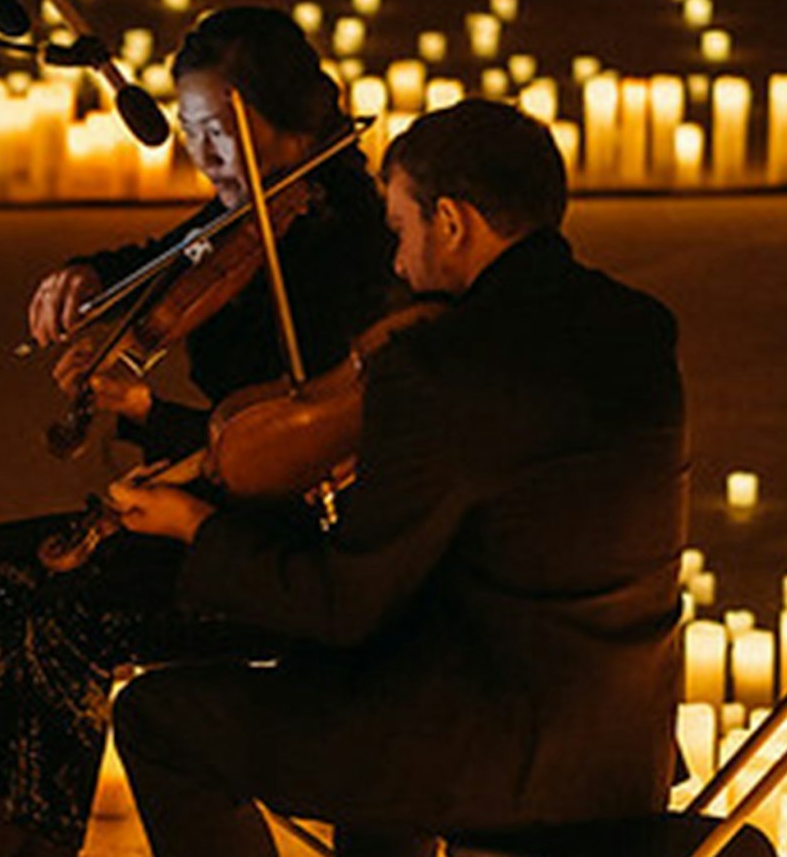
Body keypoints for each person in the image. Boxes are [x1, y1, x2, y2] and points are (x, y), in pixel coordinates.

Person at [103, 100, 688, 857]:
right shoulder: (640, 325)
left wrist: (194, 526)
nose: (395, 262)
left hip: (501, 760)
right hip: (624, 748)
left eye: (401, 228)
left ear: (451, 220)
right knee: (365, 697)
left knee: (161, 718)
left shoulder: (440, 366)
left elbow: (342, 604)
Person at [0, 6, 403, 857]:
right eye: (191, 132)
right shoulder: (251, 213)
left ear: (290, 115)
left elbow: (289, 447)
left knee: (64, 616)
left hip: (289, 543)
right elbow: (173, 255)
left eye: (221, 132)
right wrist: (88, 275)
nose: (205, 157)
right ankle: (0, 846)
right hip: (224, 498)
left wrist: (148, 415)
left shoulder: (351, 244)